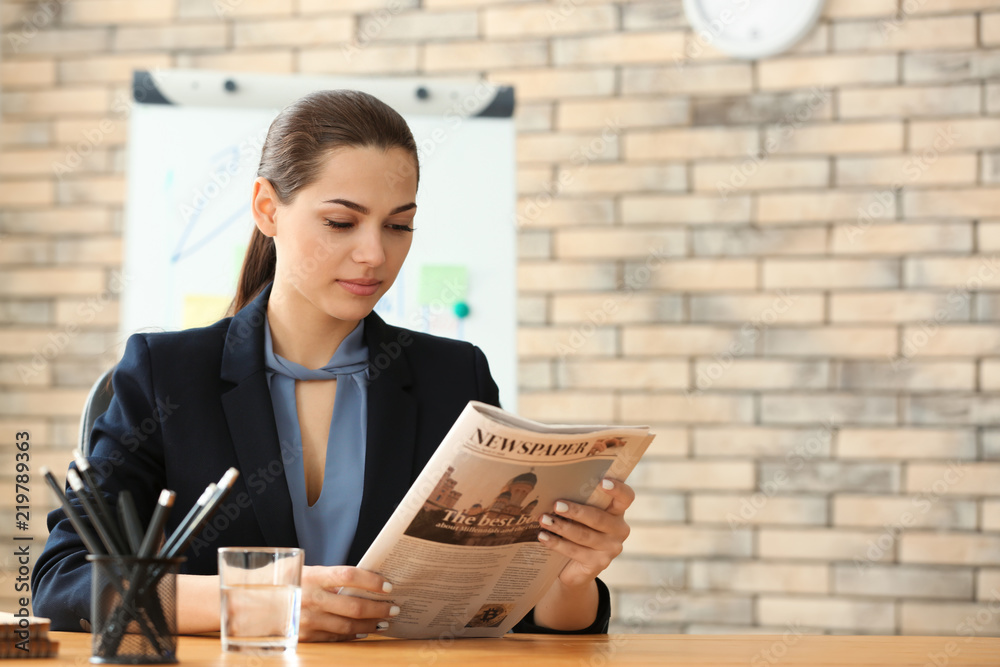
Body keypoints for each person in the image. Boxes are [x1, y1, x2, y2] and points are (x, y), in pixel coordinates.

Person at [32, 90, 635, 640]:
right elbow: (63, 583)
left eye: (399, 226)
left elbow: (511, 612)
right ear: (268, 209)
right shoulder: (167, 374)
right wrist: (260, 600)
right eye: (341, 222)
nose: (375, 253)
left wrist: (570, 577)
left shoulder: (454, 378)